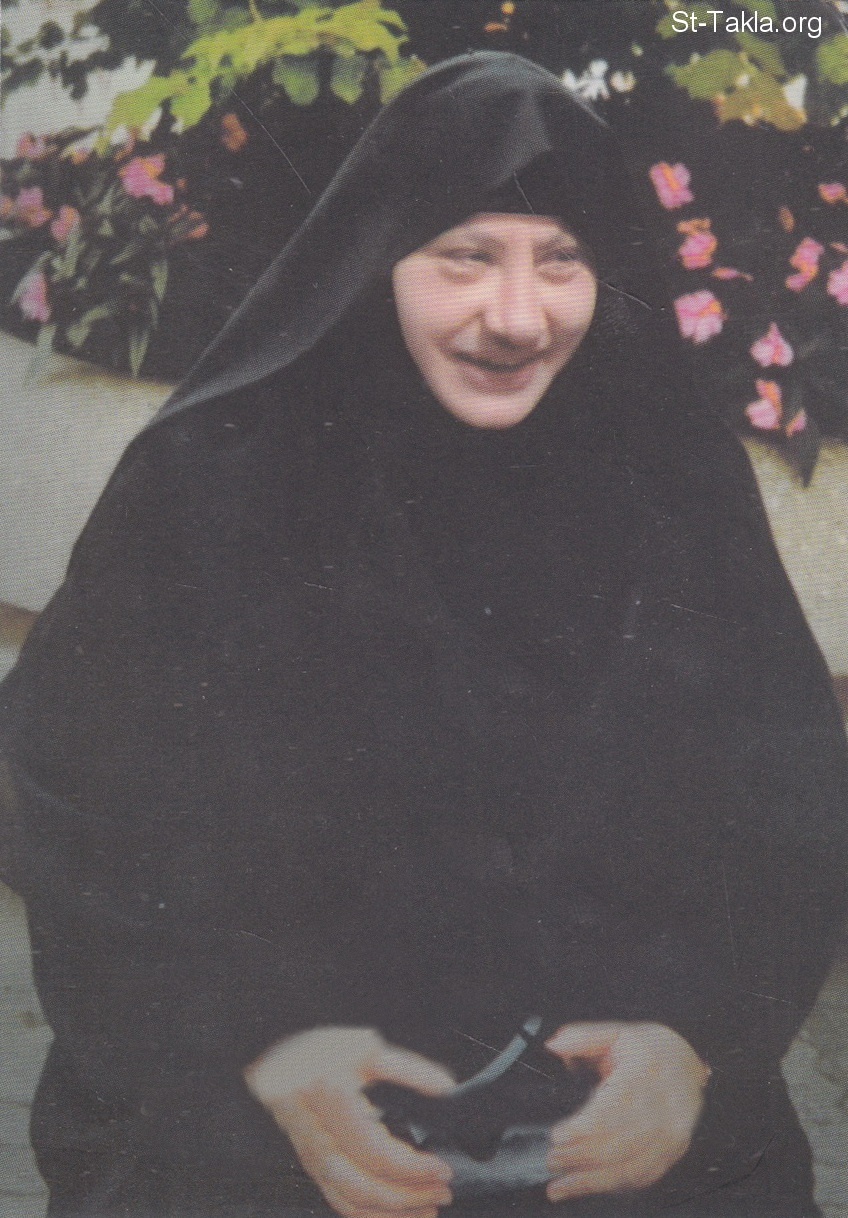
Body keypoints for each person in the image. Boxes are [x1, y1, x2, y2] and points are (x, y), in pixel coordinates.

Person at [1, 50, 847, 1218]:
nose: (516, 316)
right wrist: (258, 1049)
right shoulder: (212, 479)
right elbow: (73, 801)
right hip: (255, 1097)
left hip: (603, 1126)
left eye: (561, 260)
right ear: (377, 255)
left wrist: (694, 1042)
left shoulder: (671, 483)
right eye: (465, 256)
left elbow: (785, 802)